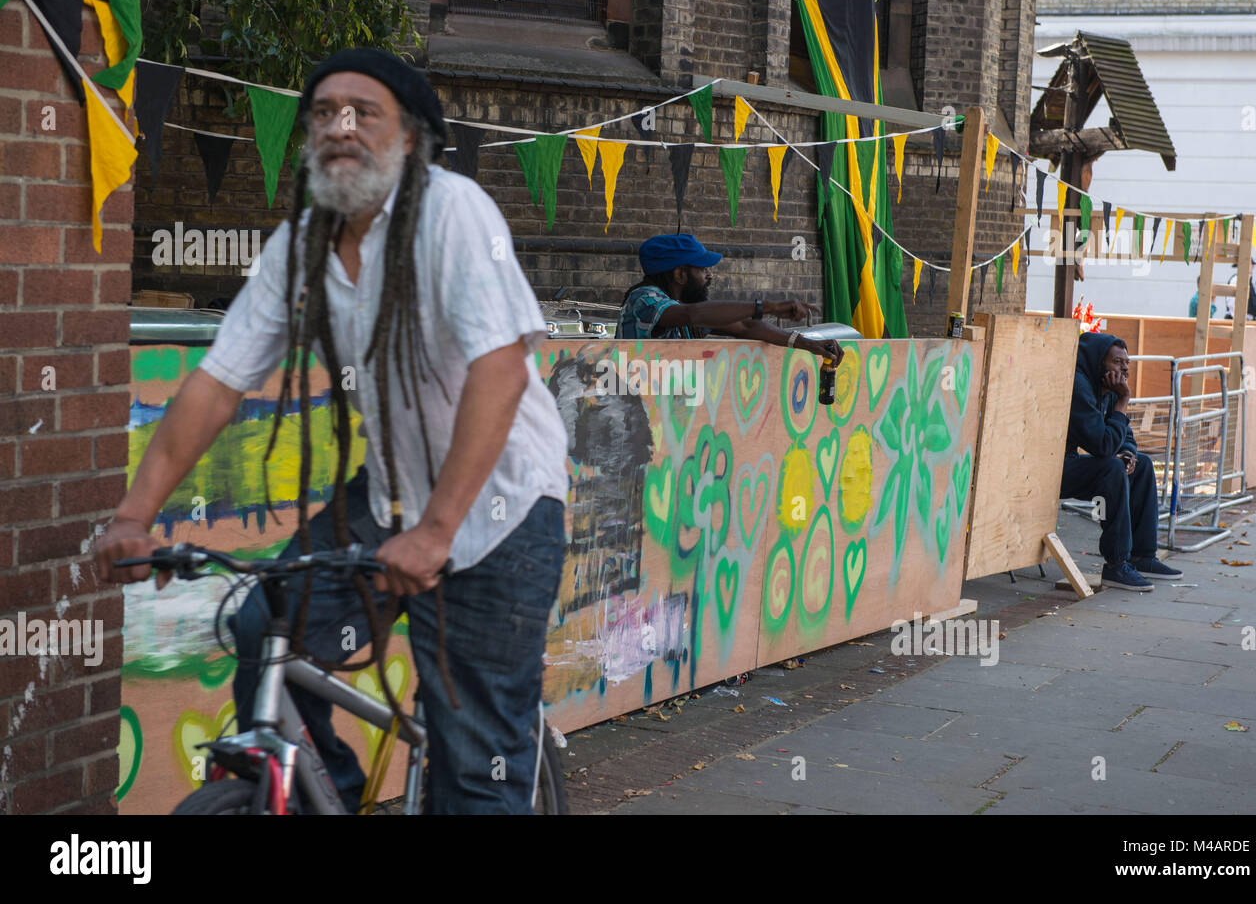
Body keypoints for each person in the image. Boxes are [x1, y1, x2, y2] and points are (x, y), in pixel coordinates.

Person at [94, 48, 569, 814]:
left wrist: (437, 530)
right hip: (389, 496)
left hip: (499, 514)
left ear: (411, 138)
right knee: (263, 627)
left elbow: (502, 370)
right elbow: (218, 382)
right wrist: (133, 515)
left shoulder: (453, 212)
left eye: (364, 111)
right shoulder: (303, 242)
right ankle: (330, 797)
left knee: (475, 766)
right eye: (322, 113)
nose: (339, 127)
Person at [1059, 333, 1182, 591]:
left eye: (1127, 363)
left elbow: (1124, 437)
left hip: (1070, 463)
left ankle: (1143, 556)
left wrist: (1128, 453)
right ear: (1098, 363)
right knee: (1112, 469)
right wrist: (1123, 402)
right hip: (1051, 469)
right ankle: (1116, 564)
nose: (1124, 368)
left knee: (1143, 465)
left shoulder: (1110, 388)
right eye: (1117, 362)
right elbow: (1102, 446)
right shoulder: (1079, 386)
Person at [619, 233, 844, 365]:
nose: (710, 275)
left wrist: (807, 344)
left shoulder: (682, 308)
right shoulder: (644, 299)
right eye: (703, 269)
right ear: (679, 274)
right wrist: (768, 307)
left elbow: (746, 326)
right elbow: (693, 314)